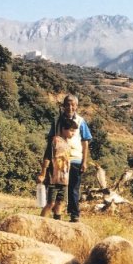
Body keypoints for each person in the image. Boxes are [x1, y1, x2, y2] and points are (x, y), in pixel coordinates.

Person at [37, 94, 91, 222]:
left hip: (75, 159)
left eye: (73, 105)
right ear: (63, 105)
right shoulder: (57, 121)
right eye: (67, 104)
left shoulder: (81, 121)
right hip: (59, 162)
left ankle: (74, 215)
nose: (70, 107)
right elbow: (50, 142)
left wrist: (84, 161)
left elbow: (85, 142)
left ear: (77, 106)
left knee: (73, 189)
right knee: (56, 189)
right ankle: (52, 219)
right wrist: (45, 168)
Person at [39, 116, 77, 219]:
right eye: (71, 131)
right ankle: (40, 222)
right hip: (53, 178)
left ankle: (57, 223)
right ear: (64, 129)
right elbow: (47, 157)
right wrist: (43, 173)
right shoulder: (55, 141)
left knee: (60, 203)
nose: (73, 134)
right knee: (51, 203)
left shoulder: (68, 144)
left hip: (64, 179)